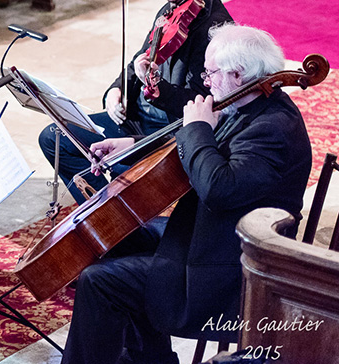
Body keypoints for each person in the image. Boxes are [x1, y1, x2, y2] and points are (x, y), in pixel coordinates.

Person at [60, 24, 312, 364]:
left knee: (99, 283)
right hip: (205, 235)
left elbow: (219, 188)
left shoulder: (272, 130)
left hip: (224, 268)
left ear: (238, 74)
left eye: (211, 73)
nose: (206, 82)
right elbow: (202, 149)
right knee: (116, 239)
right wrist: (132, 146)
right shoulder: (248, 104)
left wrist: (197, 127)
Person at [39, 0, 232, 203]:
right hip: (135, 118)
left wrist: (158, 88)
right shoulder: (171, 9)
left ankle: (115, 215)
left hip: (163, 135)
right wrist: (116, 90)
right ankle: (102, 210)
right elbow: (137, 62)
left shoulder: (217, 31)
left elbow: (201, 104)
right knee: (54, 138)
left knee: (118, 166)